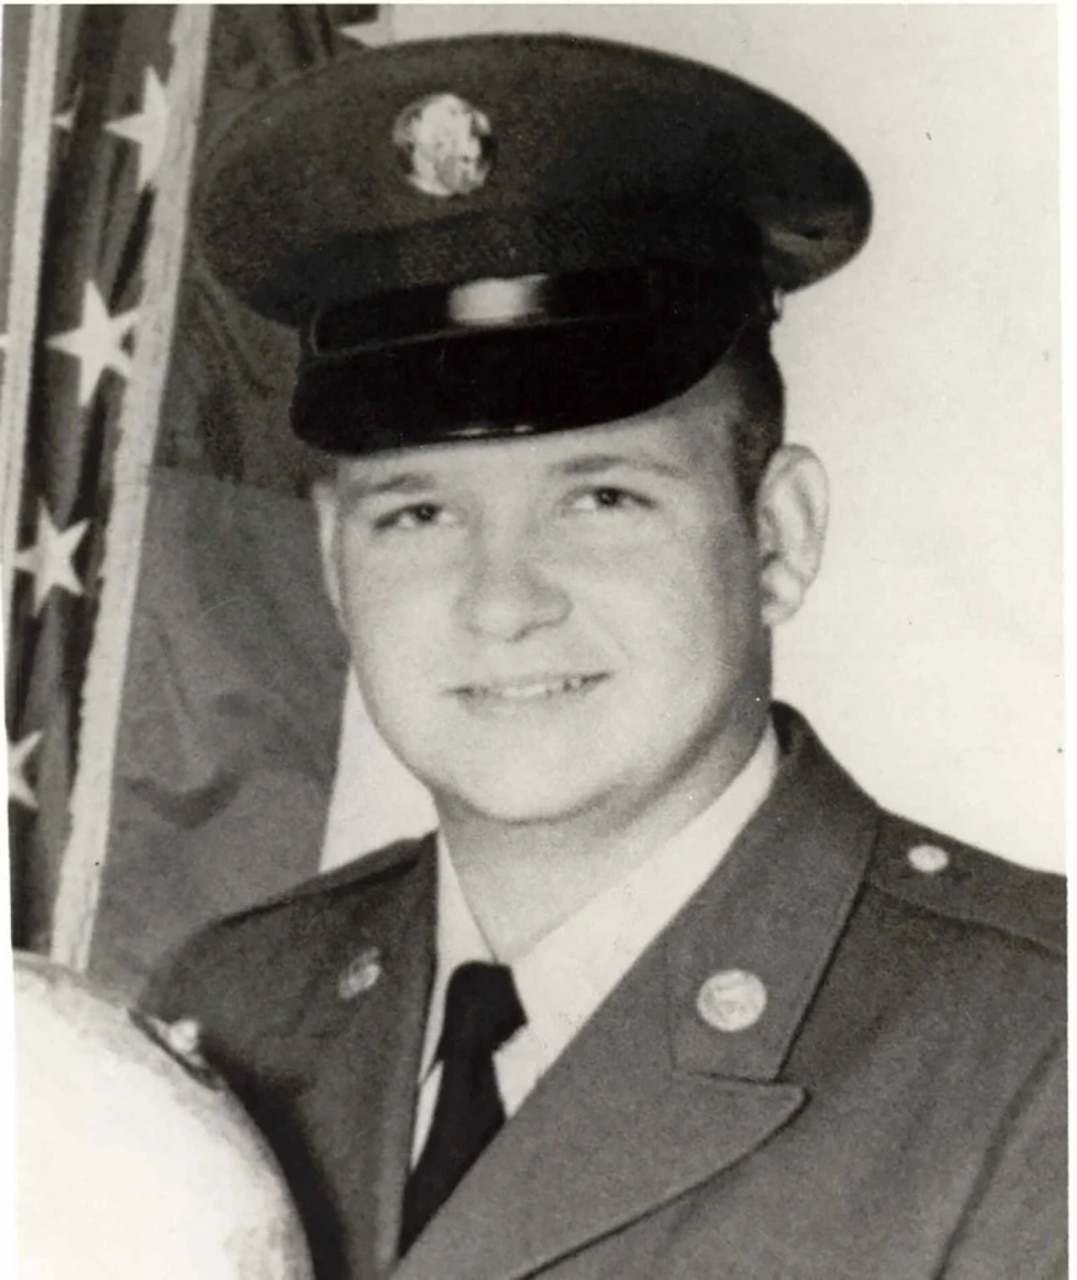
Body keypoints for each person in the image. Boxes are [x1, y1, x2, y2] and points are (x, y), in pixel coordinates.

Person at [140, 32, 1066, 1280]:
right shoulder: (238, 1013)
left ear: (776, 537)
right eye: (418, 512)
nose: (501, 599)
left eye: (602, 498)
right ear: (331, 567)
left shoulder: (1030, 1052)